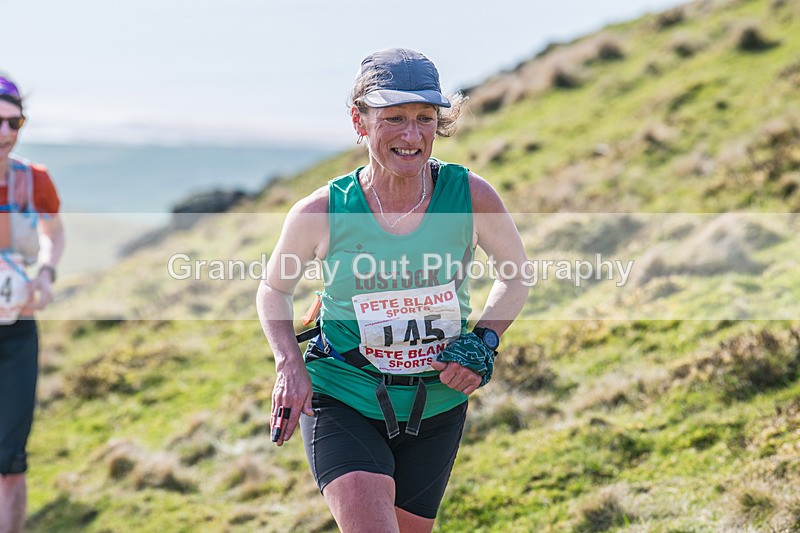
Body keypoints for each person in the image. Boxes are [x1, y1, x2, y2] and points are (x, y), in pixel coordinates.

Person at [256, 48, 528, 532]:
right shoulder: (321, 212)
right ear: (360, 122)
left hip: (438, 402)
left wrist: (483, 339)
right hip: (344, 394)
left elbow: (516, 274)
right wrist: (289, 364)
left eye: (425, 118)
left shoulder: (469, 196)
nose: (412, 134)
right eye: (394, 118)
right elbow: (273, 290)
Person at [0, 74, 65, 533]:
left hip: (18, 334)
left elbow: (54, 232)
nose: (5, 133)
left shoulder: (34, 180)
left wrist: (45, 272)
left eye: (14, 123)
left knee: (10, 459)